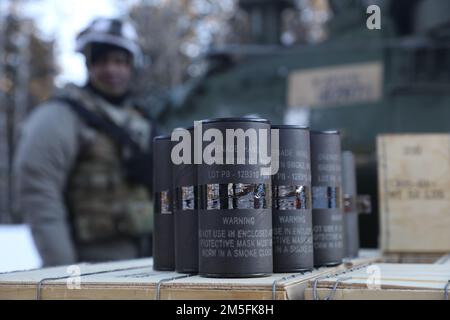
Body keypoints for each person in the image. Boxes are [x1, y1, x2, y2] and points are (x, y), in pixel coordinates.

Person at [14, 18, 157, 267]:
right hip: (92, 265)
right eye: (101, 61)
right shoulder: (61, 116)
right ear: (88, 65)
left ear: (131, 66)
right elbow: (39, 192)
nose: (111, 70)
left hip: (148, 260)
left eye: (120, 61)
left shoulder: (141, 120)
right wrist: (66, 275)